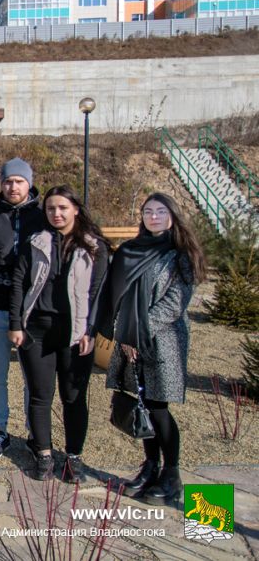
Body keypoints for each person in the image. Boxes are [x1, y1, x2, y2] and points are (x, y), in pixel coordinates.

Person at [99, 193, 206, 504]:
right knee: (142, 403)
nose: (154, 216)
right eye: (148, 211)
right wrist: (124, 334)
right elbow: (117, 294)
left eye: (160, 211)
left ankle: (171, 475)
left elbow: (174, 303)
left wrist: (136, 333)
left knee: (158, 407)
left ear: (172, 216)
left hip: (164, 340)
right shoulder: (131, 250)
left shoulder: (180, 255)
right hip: (130, 340)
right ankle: (150, 466)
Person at [8, 185, 109, 483]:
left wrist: (91, 330)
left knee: (73, 398)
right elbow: (19, 282)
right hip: (37, 331)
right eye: (51, 208)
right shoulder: (35, 242)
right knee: (40, 395)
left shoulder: (94, 246)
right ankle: (43, 454)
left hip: (76, 334)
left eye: (63, 207)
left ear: (75, 209)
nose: (57, 213)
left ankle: (73, 457)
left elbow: (98, 293)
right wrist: (16, 324)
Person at [0, 158, 43, 459]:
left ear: (29, 183)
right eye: (8, 181)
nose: (13, 186)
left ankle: (34, 430)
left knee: (33, 375)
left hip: (32, 309)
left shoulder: (43, 217)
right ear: (0, 183)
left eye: (19, 181)